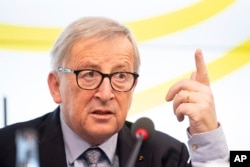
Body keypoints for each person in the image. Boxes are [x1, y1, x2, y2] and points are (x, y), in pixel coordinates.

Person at [0, 16, 229, 167]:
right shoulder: (7, 150)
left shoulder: (164, 155)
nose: (106, 93)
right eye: (89, 74)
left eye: (120, 76)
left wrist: (207, 141)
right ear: (56, 86)